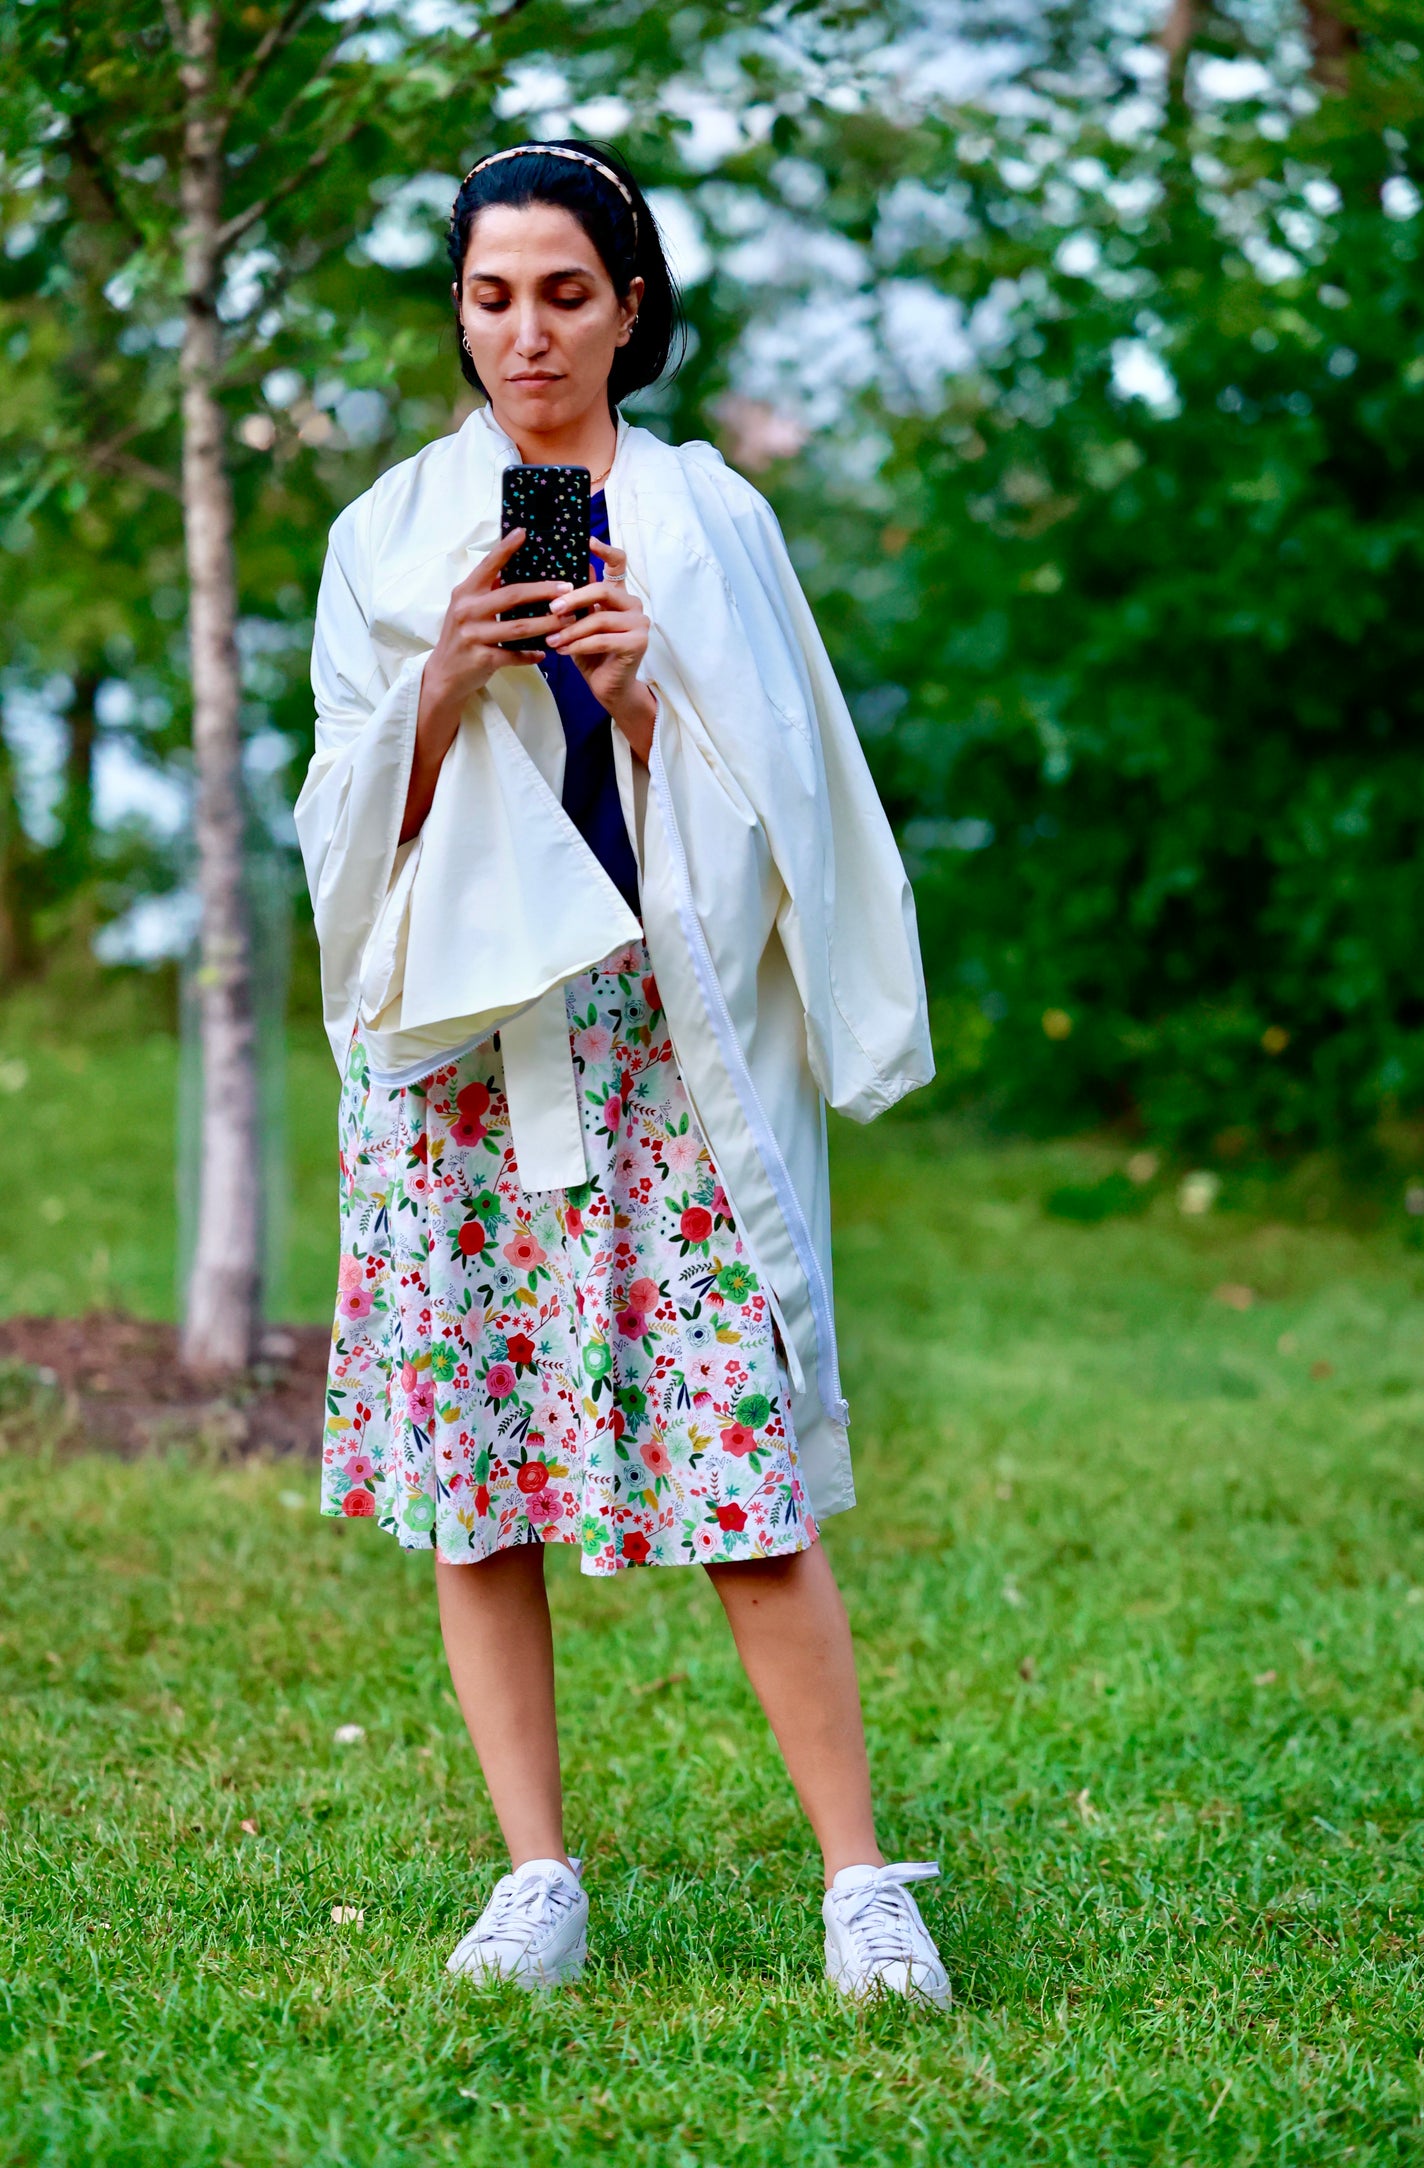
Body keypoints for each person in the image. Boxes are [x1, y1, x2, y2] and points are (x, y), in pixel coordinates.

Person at [295, 138, 947, 2005]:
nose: (527, 333)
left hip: (661, 1052)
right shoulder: (390, 537)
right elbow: (337, 833)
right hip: (462, 1072)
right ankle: (536, 1876)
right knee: (478, 1478)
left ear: (630, 304)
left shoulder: (711, 521)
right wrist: (437, 687)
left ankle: (854, 1878)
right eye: (492, 296)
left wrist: (645, 688)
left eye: (565, 293)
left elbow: (801, 793)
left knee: (744, 1468)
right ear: (459, 313)